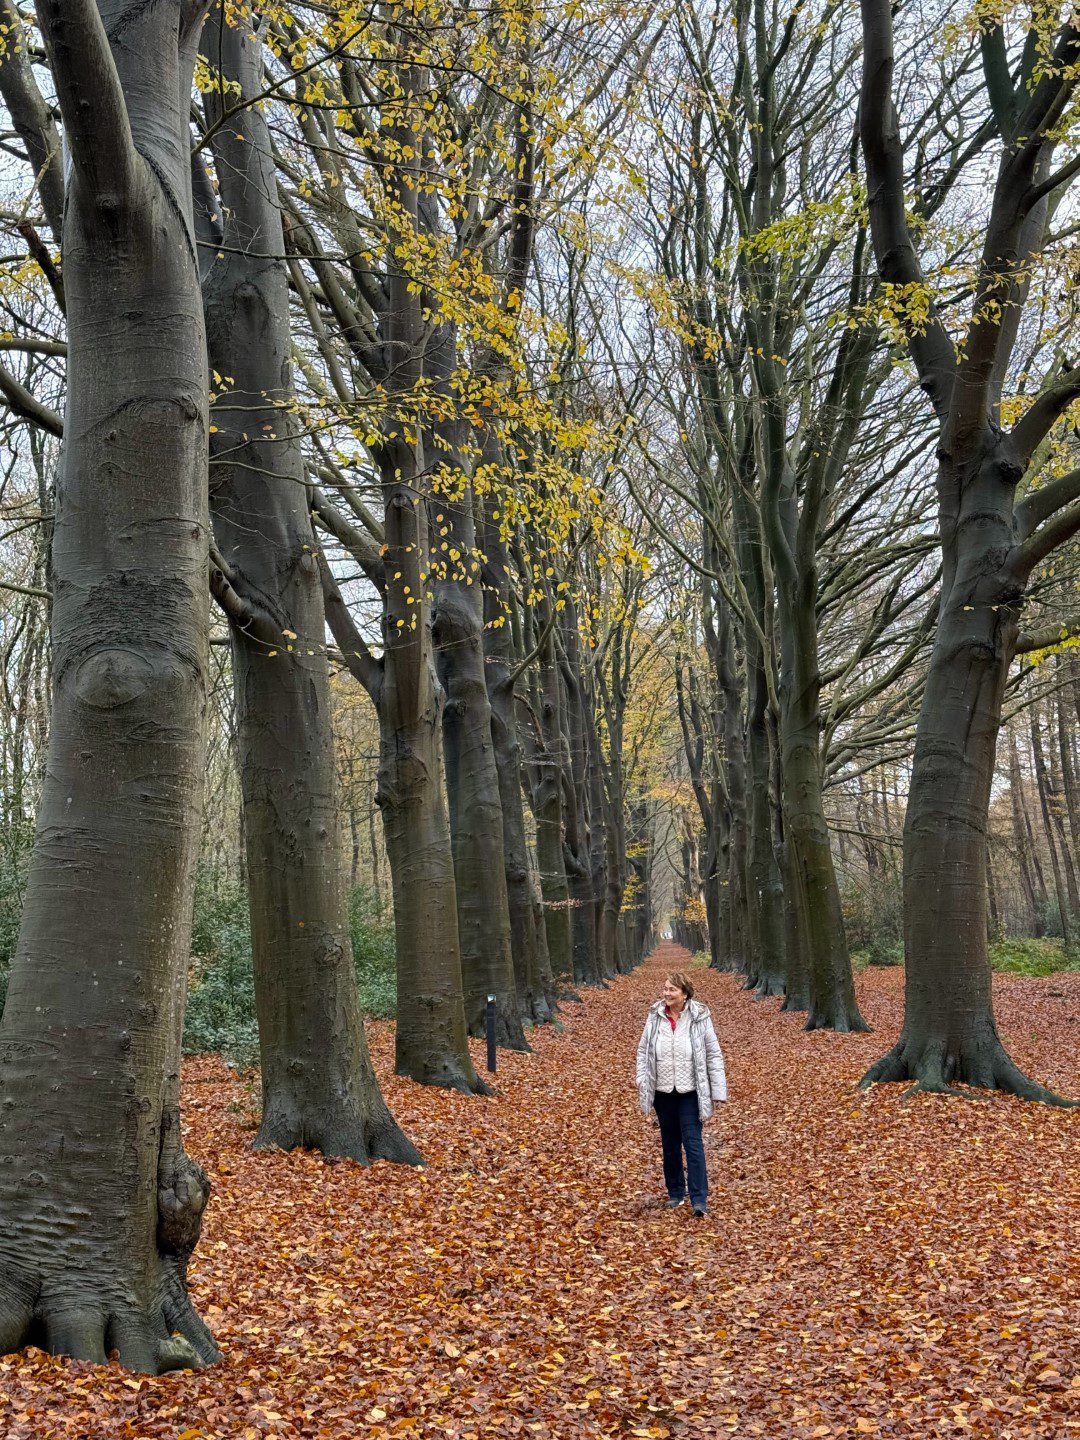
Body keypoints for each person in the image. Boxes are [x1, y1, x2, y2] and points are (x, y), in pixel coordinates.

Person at [635, 971, 727, 1217]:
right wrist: (642, 1080)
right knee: (670, 1144)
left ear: (684, 994)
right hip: (662, 1091)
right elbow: (643, 1050)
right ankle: (676, 1192)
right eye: (665, 988)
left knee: (693, 1143)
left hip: (690, 1091)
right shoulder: (655, 1016)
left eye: (672, 990)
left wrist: (718, 1090)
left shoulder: (699, 1017)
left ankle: (699, 1199)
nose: (666, 993)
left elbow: (713, 1053)